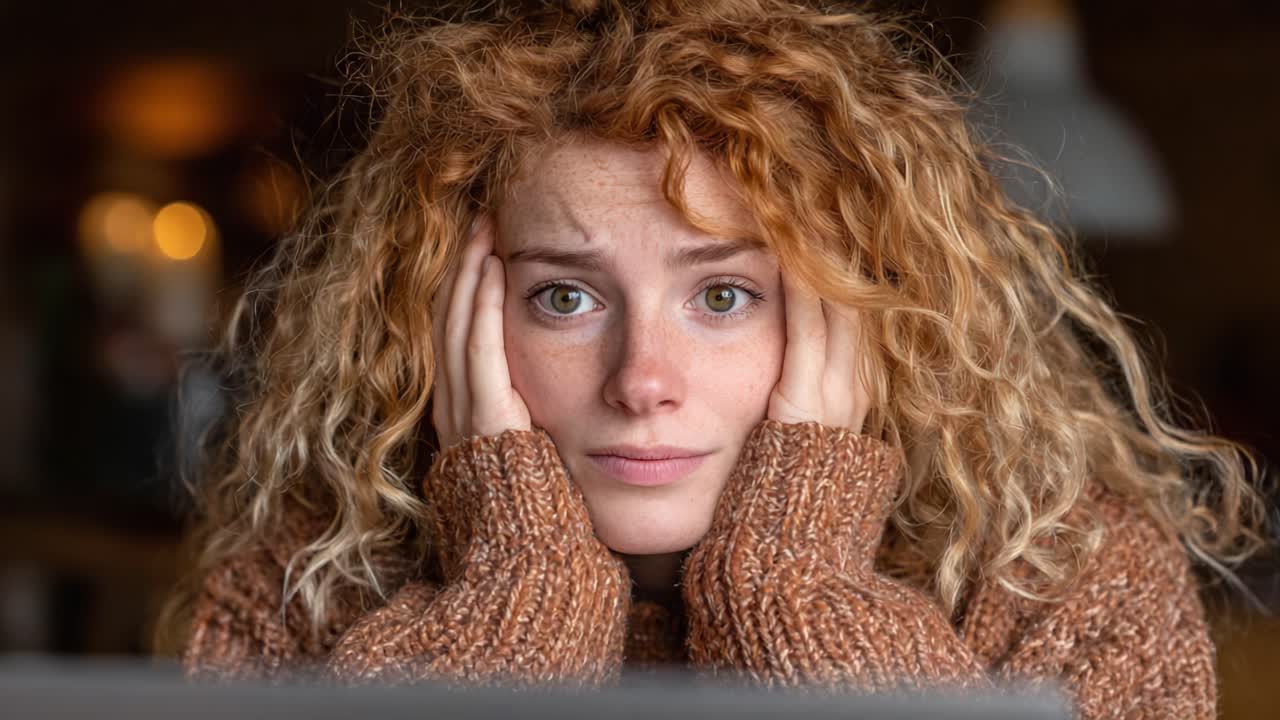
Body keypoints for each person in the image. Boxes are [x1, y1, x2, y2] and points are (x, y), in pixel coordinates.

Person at [156, 1, 1270, 717]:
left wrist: (796, 580)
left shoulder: (1069, 581)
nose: (641, 379)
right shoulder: (298, 585)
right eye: (563, 296)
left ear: (866, 312)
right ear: (444, 315)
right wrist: (517, 592)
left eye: (723, 295)